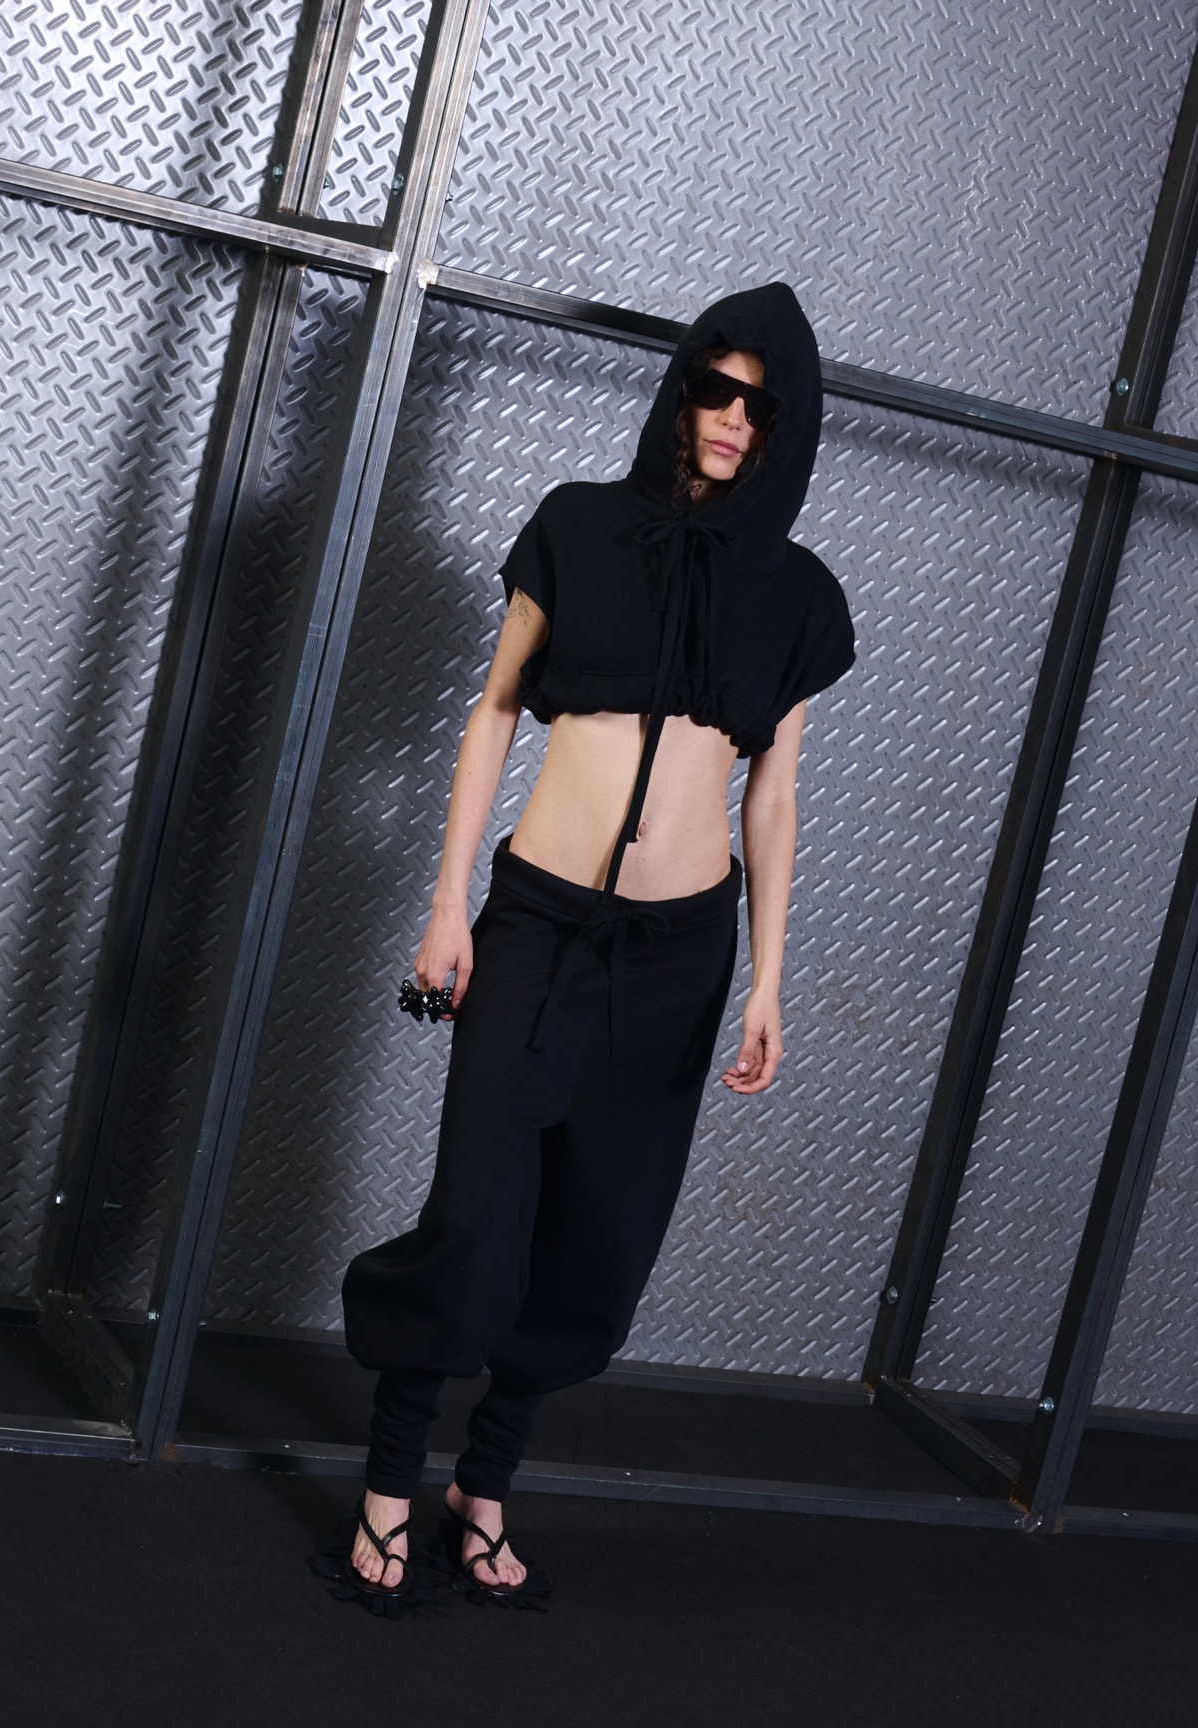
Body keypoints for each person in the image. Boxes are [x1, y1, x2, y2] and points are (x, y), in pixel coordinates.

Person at [331, 282, 854, 1610]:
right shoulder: (576, 526)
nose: (731, 420)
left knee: (598, 1236)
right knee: (474, 1214)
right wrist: (447, 905)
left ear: (788, 427)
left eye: (761, 406)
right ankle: (389, 1484)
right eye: (714, 390)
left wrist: (770, 979)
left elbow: (775, 795)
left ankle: (485, 1485)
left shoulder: (799, 596)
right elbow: (493, 711)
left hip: (681, 956)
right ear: (681, 394)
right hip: (540, 925)